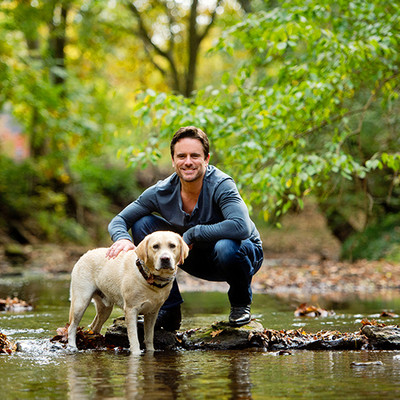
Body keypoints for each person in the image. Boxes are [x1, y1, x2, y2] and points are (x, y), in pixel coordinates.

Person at [106, 126, 263, 331]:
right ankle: (168, 311)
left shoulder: (222, 184)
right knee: (142, 224)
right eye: (181, 156)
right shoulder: (161, 191)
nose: (188, 162)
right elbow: (118, 220)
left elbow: (241, 226)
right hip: (191, 256)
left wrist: (193, 233)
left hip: (239, 256)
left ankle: (240, 306)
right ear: (173, 160)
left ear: (206, 159)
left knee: (226, 246)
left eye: (194, 156)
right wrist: (122, 238)